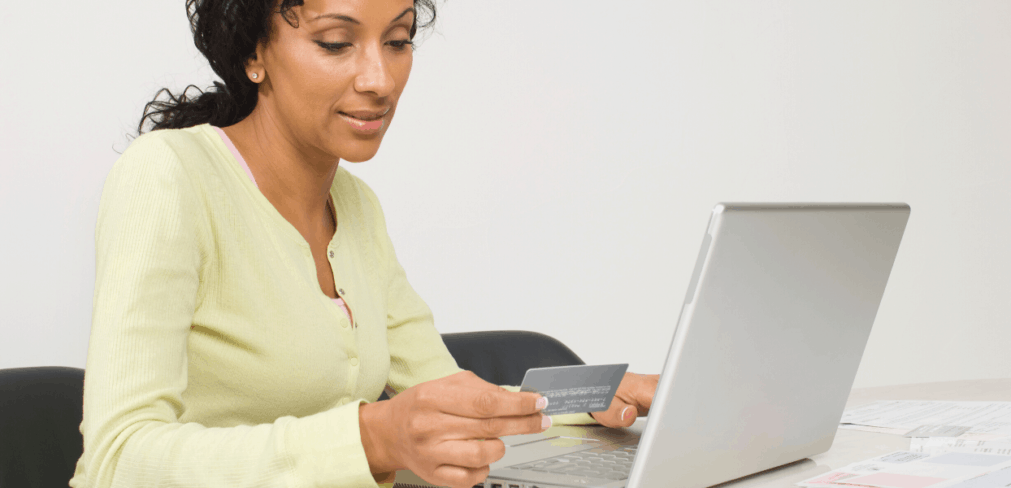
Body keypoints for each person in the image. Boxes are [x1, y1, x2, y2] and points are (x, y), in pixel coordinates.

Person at [71, 0, 661, 487]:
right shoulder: (169, 176)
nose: (379, 81)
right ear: (254, 51)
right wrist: (373, 436)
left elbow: (441, 394)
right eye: (335, 43)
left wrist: (587, 396)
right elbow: (117, 460)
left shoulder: (355, 205)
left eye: (398, 41)